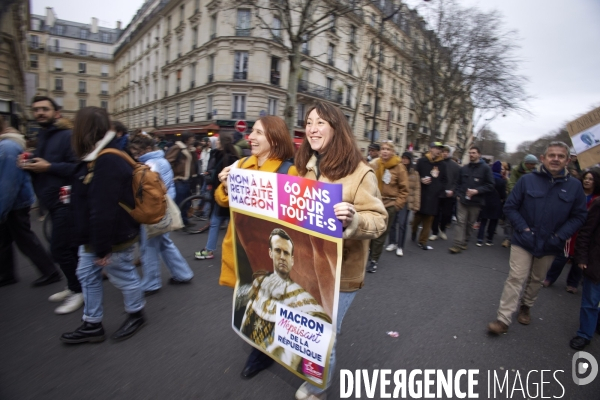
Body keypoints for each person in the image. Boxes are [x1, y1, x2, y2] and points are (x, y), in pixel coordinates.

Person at [294, 102, 387, 400]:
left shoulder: (361, 173)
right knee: (309, 329)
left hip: (341, 273)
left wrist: (355, 219)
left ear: (336, 128)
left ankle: (317, 388)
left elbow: (379, 219)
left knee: (323, 336)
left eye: (320, 122)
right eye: (309, 122)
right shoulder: (304, 167)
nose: (312, 128)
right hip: (306, 266)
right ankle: (311, 376)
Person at [216, 115, 298, 379]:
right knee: (249, 304)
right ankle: (262, 344)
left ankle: (262, 353)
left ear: (274, 138)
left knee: (265, 306)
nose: (250, 137)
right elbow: (222, 201)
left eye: (258, 132)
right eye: (251, 132)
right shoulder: (240, 165)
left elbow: (295, 216)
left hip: (267, 255)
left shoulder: (289, 172)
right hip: (239, 250)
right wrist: (225, 186)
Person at [61, 107, 146, 344]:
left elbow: (104, 209)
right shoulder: (97, 156)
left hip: (111, 236)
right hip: (99, 235)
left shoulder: (106, 160)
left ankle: (136, 314)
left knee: (122, 275)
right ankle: (92, 323)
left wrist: (101, 248)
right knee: (87, 275)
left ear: (83, 130)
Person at [487, 142, 587, 335]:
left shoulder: (575, 187)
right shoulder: (527, 180)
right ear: (543, 159)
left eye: (560, 156)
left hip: (551, 244)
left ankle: (526, 306)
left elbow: (579, 216)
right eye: (551, 155)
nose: (555, 159)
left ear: (567, 160)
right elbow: (510, 206)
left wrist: (560, 236)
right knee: (516, 277)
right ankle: (503, 318)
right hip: (524, 240)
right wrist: (523, 229)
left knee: (536, 279)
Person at [19, 95, 83, 314]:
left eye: (45, 109)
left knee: (60, 249)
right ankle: (74, 285)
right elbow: (44, 165)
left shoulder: (67, 136)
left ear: (57, 113)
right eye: (36, 109)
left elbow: (77, 168)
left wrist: (49, 167)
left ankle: (78, 291)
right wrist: (28, 163)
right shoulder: (44, 135)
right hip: (52, 202)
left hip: (66, 201)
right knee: (69, 249)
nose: (40, 113)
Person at [239, 229, 331, 370]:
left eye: (286, 253)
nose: (282, 257)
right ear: (270, 253)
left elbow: (320, 325)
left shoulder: (301, 297)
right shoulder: (260, 281)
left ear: (292, 259)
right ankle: (259, 353)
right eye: (277, 251)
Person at [127, 132, 194, 295]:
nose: (136, 155)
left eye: (137, 151)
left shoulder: (150, 163)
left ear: (147, 148)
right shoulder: (158, 161)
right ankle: (182, 273)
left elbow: (150, 191)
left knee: (149, 246)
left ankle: (151, 283)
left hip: (154, 211)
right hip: (161, 209)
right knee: (163, 243)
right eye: (134, 152)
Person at [0, 123, 60, 287]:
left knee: (24, 239)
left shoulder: (7, 147)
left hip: (15, 203)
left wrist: (2, 209)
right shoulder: (8, 144)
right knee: (5, 240)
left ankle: (50, 271)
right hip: (14, 201)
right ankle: (6, 274)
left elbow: (7, 183)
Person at [543, 170, 600, 293]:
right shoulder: (577, 193)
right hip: (572, 229)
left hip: (587, 231)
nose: (587, 181)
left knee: (579, 259)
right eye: (585, 178)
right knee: (563, 255)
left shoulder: (597, 198)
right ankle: (549, 277)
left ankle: (572, 283)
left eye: (590, 179)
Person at [194, 133, 239, 260]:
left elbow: (223, 176)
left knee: (216, 223)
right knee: (225, 224)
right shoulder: (224, 155)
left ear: (223, 142)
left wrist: (213, 177)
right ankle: (233, 252)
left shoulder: (227, 158)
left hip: (224, 196)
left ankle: (209, 250)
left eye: (218, 140)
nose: (216, 142)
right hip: (225, 197)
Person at [366, 141, 408, 272]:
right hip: (372, 203)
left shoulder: (399, 167)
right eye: (383, 149)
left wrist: (397, 205)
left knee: (380, 234)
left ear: (393, 151)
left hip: (389, 205)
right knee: (369, 231)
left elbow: (404, 189)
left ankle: (374, 260)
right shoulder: (374, 164)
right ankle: (370, 254)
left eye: (388, 149)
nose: (385, 151)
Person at [448, 146, 494, 254]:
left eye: (473, 153)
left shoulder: (486, 169)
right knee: (460, 222)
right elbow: (457, 183)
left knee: (469, 224)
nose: (471, 155)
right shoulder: (464, 168)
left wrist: (477, 191)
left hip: (476, 202)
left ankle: (465, 240)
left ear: (479, 154)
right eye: (470, 153)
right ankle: (457, 244)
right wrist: (458, 194)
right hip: (462, 200)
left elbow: (491, 185)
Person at [570, 196, 600, 350]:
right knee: (591, 302)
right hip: (596, 264)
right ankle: (584, 334)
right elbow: (586, 232)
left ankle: (597, 324)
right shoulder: (598, 203)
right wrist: (581, 257)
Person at [412, 142, 447, 250]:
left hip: (433, 196)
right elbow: (414, 175)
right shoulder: (422, 161)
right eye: (436, 148)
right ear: (430, 149)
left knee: (429, 219)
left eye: (440, 149)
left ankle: (423, 241)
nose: (438, 151)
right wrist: (421, 179)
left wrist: (439, 190)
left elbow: (444, 180)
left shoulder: (442, 164)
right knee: (417, 218)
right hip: (422, 194)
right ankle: (413, 231)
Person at [386, 151, 420, 257]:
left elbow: (417, 190)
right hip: (394, 199)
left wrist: (416, 205)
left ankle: (400, 246)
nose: (405, 160)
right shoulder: (396, 169)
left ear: (410, 160)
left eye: (407, 158)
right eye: (403, 158)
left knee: (402, 224)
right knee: (392, 222)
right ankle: (392, 242)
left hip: (406, 202)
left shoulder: (414, 173)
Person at [502, 154, 538, 248]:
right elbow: (511, 183)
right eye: (532, 164)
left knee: (523, 219)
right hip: (515, 197)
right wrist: (517, 194)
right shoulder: (516, 170)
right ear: (527, 163)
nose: (533, 166)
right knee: (509, 220)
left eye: (534, 164)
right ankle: (507, 238)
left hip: (528, 199)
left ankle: (518, 238)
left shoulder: (535, 172)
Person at [166, 132, 198, 228]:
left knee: (187, 202)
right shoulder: (177, 148)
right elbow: (168, 161)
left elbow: (194, 164)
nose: (193, 139)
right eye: (192, 137)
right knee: (180, 202)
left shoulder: (191, 149)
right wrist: (174, 173)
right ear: (187, 139)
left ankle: (184, 220)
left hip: (188, 179)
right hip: (179, 179)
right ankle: (178, 222)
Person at [430, 145, 459, 241]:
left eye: (447, 152)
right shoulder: (437, 163)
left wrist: (453, 190)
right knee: (436, 213)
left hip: (449, 194)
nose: (445, 153)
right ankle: (434, 232)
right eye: (443, 152)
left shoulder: (455, 166)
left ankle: (442, 230)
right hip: (438, 193)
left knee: (447, 214)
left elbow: (457, 180)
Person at [476, 161, 507, 246]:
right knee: (493, 222)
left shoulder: (487, 179)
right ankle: (489, 239)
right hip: (496, 203)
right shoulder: (502, 181)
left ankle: (479, 239)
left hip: (485, 201)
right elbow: (503, 194)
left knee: (483, 221)